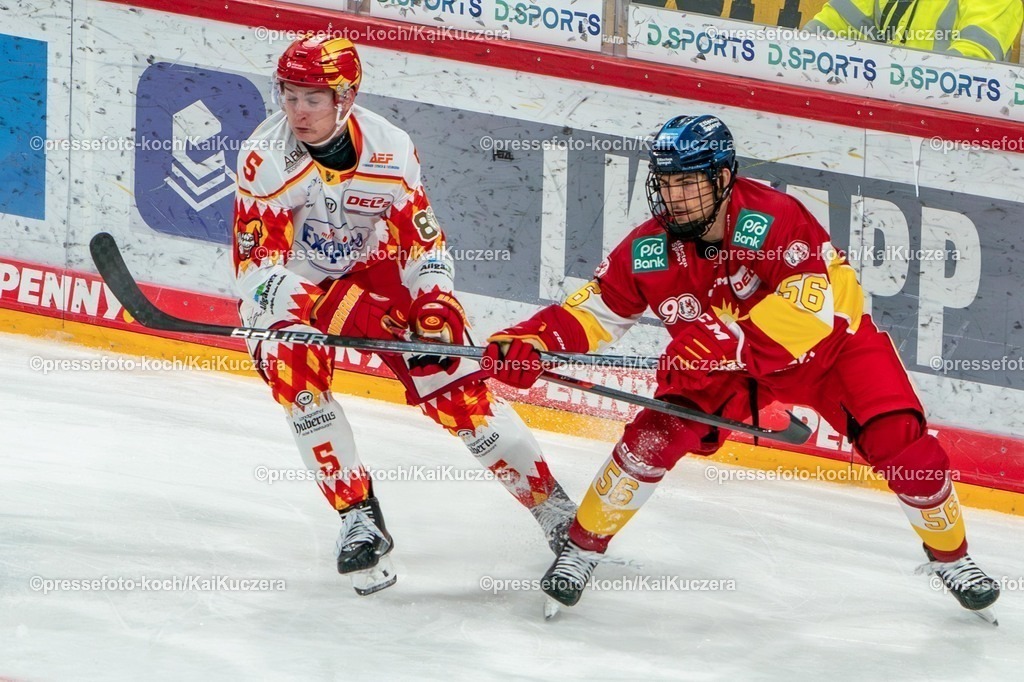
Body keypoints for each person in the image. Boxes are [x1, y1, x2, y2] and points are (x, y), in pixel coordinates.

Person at [483, 114, 1000, 616]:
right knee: (654, 437)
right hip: (728, 368)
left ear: (724, 177)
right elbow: (592, 312)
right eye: (666, 183)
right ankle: (581, 547)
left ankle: (952, 559)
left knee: (902, 444)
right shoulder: (648, 249)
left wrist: (724, 340)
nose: (675, 196)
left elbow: (813, 310)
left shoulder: (774, 217)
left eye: (688, 182)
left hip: (833, 351)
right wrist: (530, 342)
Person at [231, 36, 576, 595]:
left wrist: (434, 301)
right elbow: (256, 272)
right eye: (290, 96)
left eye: (313, 99)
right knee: (295, 376)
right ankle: (358, 519)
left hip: (377, 273)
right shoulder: (263, 159)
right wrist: (334, 309)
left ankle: (555, 512)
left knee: (458, 390)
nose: (297, 112)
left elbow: (423, 244)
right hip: (296, 288)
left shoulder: (390, 147)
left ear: (345, 98)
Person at [804, 0, 1022, 61]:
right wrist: (802, 50)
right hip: (878, 108)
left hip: (944, 127)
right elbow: (834, 22)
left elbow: (972, 65)